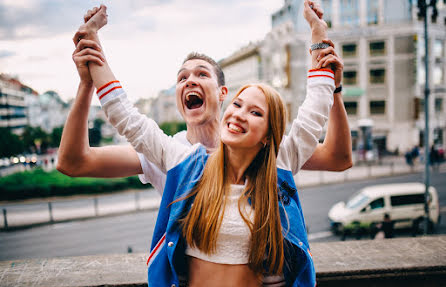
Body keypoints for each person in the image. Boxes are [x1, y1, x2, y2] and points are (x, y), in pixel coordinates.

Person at [58, 1, 348, 287]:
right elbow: (124, 115)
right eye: (238, 105)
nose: (239, 114)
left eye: (256, 113)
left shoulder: (278, 163)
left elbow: (314, 114)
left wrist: (318, 35)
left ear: (268, 137)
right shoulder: (182, 161)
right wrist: (92, 49)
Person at [57, 5, 352, 197]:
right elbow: (73, 162)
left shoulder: (260, 147)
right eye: (182, 78)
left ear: (224, 94)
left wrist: (334, 91)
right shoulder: (167, 154)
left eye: (201, 74)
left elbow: (338, 158)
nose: (189, 81)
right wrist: (86, 84)